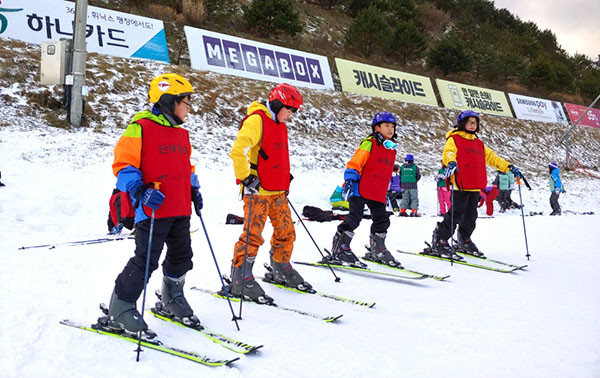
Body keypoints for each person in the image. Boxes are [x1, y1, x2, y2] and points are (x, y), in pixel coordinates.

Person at [107, 73, 202, 335]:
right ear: (169, 101)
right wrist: (140, 190)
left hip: (179, 208)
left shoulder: (181, 135)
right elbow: (123, 166)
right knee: (146, 260)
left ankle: (171, 297)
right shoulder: (141, 127)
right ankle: (121, 307)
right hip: (153, 209)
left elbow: (184, 167)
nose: (189, 108)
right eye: (186, 102)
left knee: (182, 257)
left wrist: (193, 186)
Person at [228, 83, 311, 304]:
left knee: (286, 231)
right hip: (257, 191)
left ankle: (280, 267)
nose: (291, 115)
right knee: (252, 236)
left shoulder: (280, 125)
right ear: (277, 103)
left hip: (277, 191)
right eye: (290, 110)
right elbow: (239, 150)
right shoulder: (257, 120)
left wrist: (285, 175)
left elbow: (275, 154)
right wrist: (245, 176)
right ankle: (240, 278)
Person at [422, 110, 523, 259]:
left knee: (471, 216)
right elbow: (449, 152)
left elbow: (493, 158)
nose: (472, 125)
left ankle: (465, 239)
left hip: (475, 184)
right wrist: (450, 162)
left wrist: (509, 167)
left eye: (475, 123)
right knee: (456, 214)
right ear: (462, 124)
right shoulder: (454, 139)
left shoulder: (478, 143)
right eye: (469, 122)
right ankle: (440, 238)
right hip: (461, 184)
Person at [324, 111, 402, 268]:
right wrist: (350, 178)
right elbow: (356, 161)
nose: (390, 129)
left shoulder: (391, 149)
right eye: (386, 126)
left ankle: (378, 249)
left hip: (378, 191)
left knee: (382, 219)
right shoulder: (370, 143)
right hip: (361, 187)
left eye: (392, 126)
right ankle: (340, 248)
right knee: (355, 217)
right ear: (376, 128)